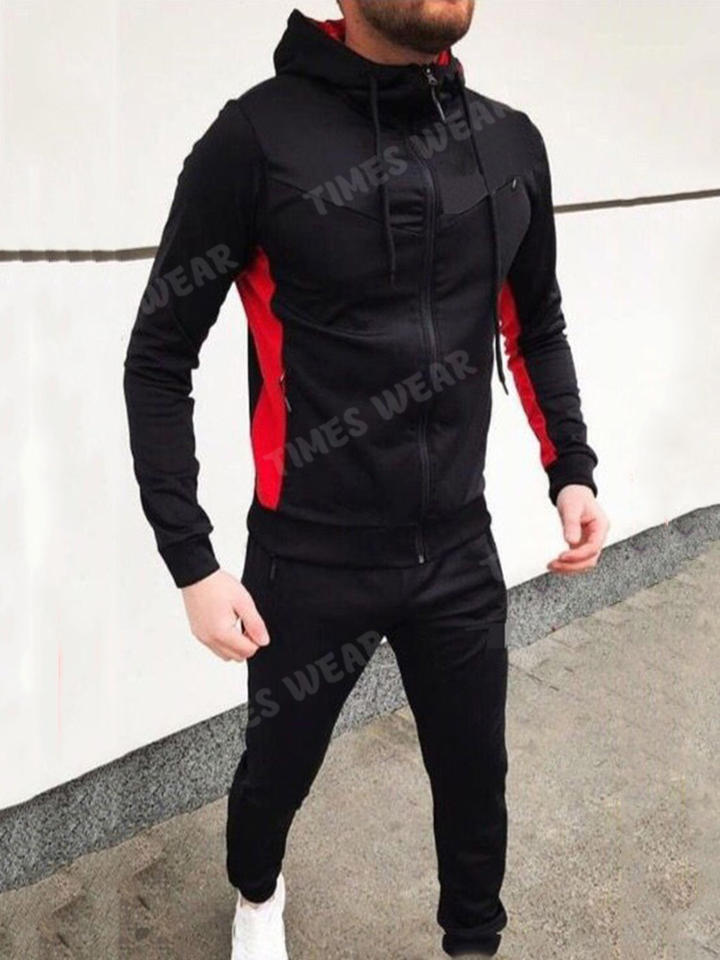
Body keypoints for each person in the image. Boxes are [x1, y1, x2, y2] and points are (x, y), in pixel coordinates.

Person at [123, 2, 609, 956]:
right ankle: (256, 897)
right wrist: (192, 562)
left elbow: (536, 321)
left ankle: (473, 943)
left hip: (457, 545)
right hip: (309, 553)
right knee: (274, 773)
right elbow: (159, 357)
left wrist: (572, 469)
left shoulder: (508, 143)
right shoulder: (257, 141)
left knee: (476, 780)